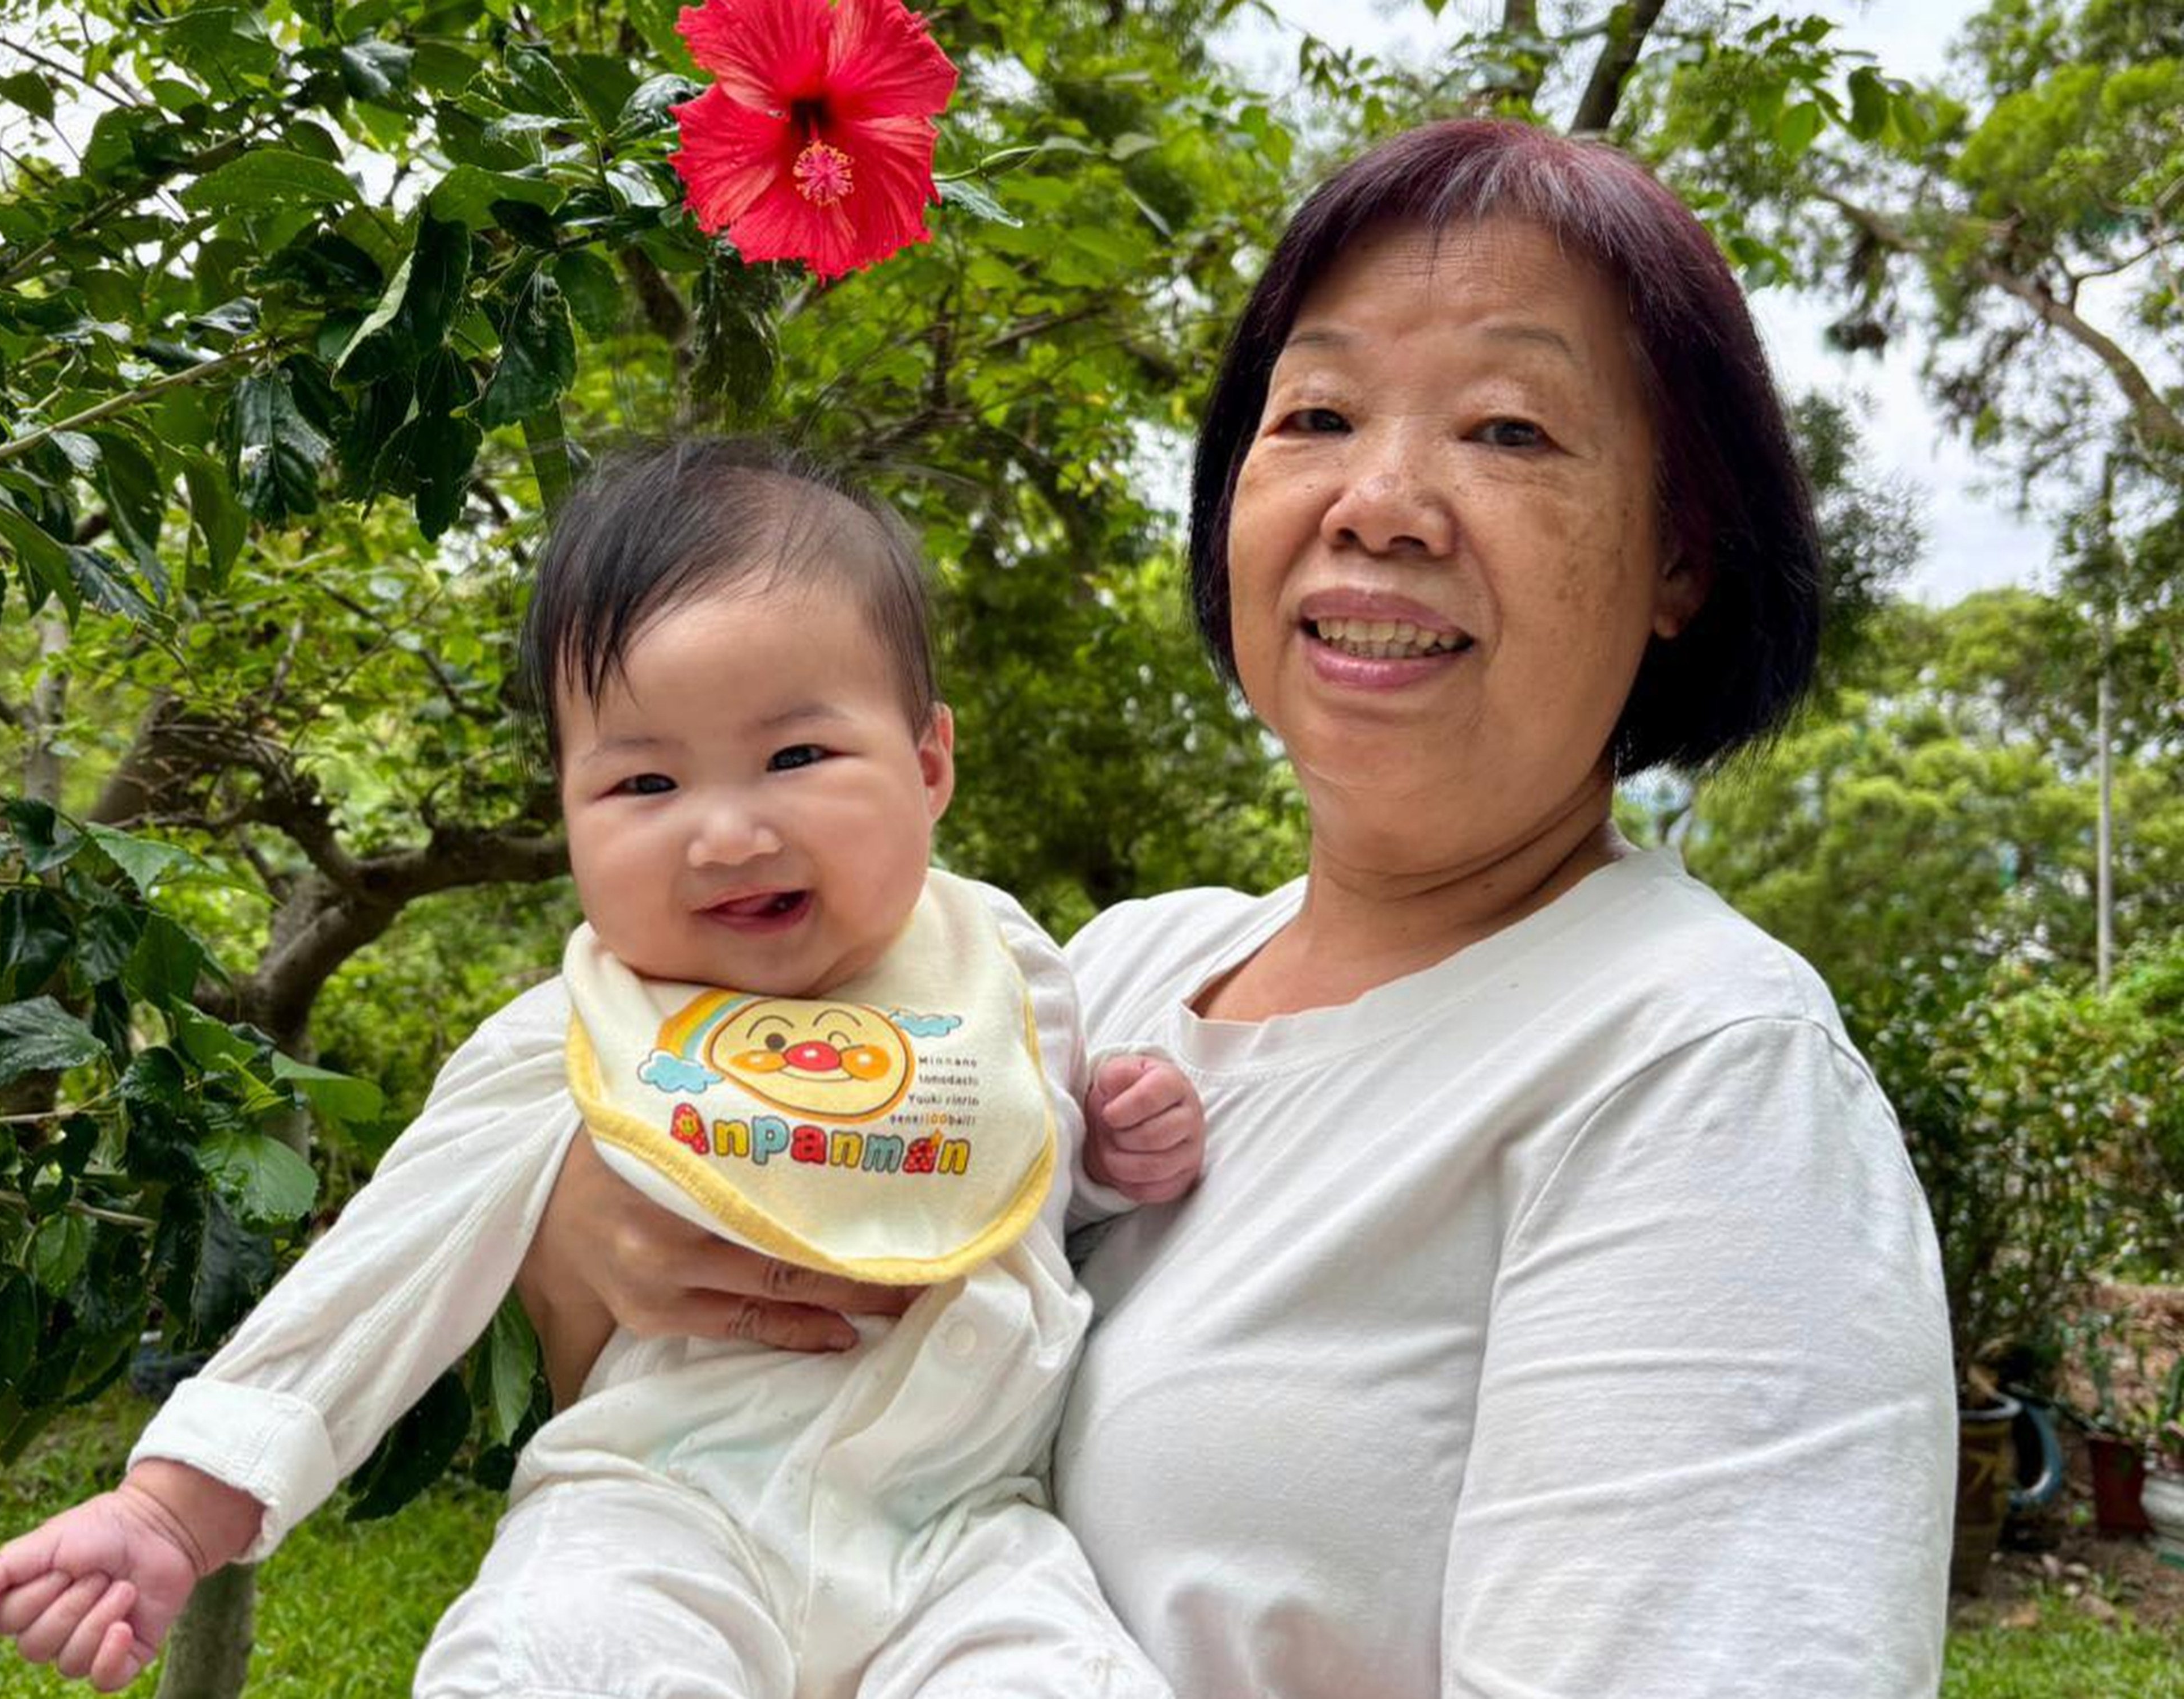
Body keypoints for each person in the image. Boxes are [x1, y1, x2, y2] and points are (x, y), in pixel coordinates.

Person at [511, 120, 1959, 1697]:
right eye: (1319, 411)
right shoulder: (1097, 977)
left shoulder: (1702, 1075)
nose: (1382, 500)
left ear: (1680, 555)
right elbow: (713, 1454)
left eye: (1511, 431)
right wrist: (594, 1239)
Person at [0, 439, 1204, 1698]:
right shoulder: (576, 1037)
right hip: (659, 1508)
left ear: (928, 765)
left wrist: (1103, 1157)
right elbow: (382, 1268)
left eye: (796, 758)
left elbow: (1002, 1184)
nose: (727, 831)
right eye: (645, 780)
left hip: (966, 1535)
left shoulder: (1002, 968)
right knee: (561, 1658)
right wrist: (175, 1510)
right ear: (568, 812)